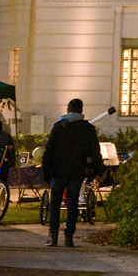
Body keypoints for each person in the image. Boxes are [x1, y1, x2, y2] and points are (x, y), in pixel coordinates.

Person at [41, 98, 103, 247]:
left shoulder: (58, 127)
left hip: (58, 171)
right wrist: (98, 170)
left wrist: (46, 170)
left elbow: (49, 151)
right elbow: (95, 151)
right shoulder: (88, 129)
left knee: (55, 202)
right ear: (81, 111)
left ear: (67, 110)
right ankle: (69, 237)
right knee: (73, 202)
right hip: (76, 171)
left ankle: (53, 235)